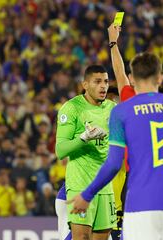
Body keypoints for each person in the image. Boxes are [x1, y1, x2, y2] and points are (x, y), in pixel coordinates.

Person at [68, 52, 163, 240]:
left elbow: (114, 163)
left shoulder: (122, 111)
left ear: (132, 78)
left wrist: (87, 195)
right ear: (160, 77)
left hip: (140, 201)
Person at [55, 65, 117, 240]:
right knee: (82, 237)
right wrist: (84, 137)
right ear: (85, 84)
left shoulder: (113, 109)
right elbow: (60, 150)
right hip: (80, 184)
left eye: (105, 81)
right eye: (97, 82)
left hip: (105, 186)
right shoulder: (72, 108)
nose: (103, 86)